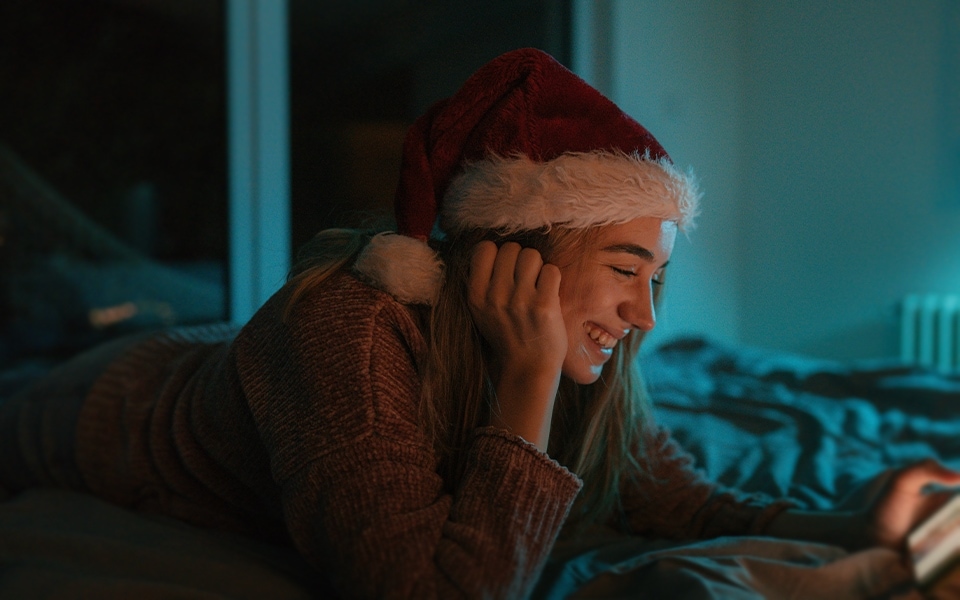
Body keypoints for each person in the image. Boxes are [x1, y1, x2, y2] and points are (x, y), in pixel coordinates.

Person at [1, 47, 958, 599]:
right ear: (515, 258)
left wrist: (848, 522)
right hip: (99, 410)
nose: (645, 314)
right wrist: (529, 380)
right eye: (626, 270)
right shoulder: (346, 328)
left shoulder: (595, 361)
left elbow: (672, 500)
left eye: (658, 276)